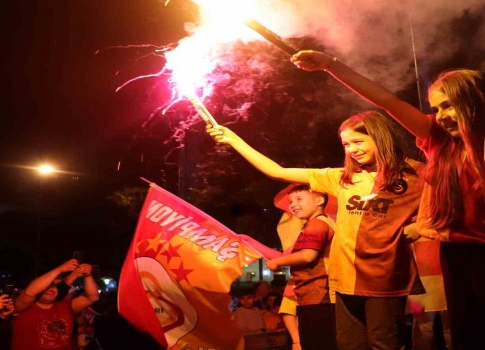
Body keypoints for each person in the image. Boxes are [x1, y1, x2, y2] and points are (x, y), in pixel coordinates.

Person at [291, 50, 484, 350]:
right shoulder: (439, 141)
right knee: (468, 336)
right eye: (436, 108)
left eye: (450, 105)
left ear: (475, 101)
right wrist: (331, 65)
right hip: (457, 255)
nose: (442, 115)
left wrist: (426, 227)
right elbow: (388, 102)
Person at [207, 110, 425, 350]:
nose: (352, 149)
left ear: (380, 137)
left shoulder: (416, 175)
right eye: (346, 144)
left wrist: (420, 227)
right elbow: (277, 172)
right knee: (349, 345)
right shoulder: (342, 178)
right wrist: (233, 140)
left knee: (383, 344)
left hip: (385, 279)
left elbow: (447, 210)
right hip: (345, 280)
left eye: (358, 141)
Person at [266, 184, 337, 350]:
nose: (293, 205)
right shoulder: (324, 222)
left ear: (319, 200)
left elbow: (307, 255)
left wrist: (277, 263)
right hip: (318, 295)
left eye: (299, 199)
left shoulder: (316, 224)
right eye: (291, 201)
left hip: (320, 295)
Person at [12, 259, 100, 350]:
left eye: (53, 286)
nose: (50, 290)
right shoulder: (22, 308)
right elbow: (30, 292)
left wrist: (88, 275)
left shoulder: (65, 306)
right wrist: (60, 269)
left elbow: (92, 297)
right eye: (45, 287)